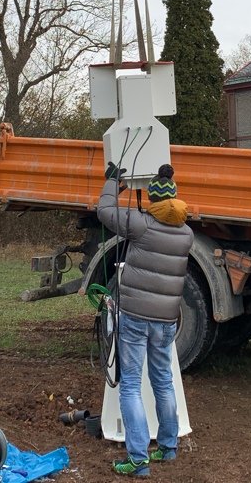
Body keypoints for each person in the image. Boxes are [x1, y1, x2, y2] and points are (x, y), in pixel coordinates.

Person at [97, 162, 193, 477]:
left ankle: (138, 460)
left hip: (136, 318)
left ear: (153, 199)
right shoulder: (187, 234)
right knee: (163, 381)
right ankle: (167, 446)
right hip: (166, 321)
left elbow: (106, 212)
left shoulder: (142, 225)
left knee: (131, 388)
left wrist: (113, 182)